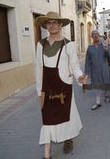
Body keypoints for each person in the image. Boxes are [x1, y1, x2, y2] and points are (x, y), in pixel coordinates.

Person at [35, 11, 87, 159]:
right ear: (46, 26)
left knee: (66, 115)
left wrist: (80, 77)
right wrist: (39, 90)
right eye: (49, 23)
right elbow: (38, 68)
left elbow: (74, 66)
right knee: (47, 118)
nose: (52, 25)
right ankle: (47, 155)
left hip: (63, 87)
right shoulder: (41, 44)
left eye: (55, 23)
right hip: (47, 88)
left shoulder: (68, 45)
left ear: (60, 25)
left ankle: (68, 139)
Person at [84, 30, 110, 110]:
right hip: (95, 70)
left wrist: (107, 50)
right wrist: (87, 73)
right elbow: (87, 61)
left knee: (105, 83)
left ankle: (106, 94)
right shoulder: (90, 48)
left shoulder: (104, 45)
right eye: (93, 35)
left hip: (104, 68)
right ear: (91, 37)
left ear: (99, 35)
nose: (95, 36)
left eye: (96, 34)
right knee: (96, 85)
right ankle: (98, 102)